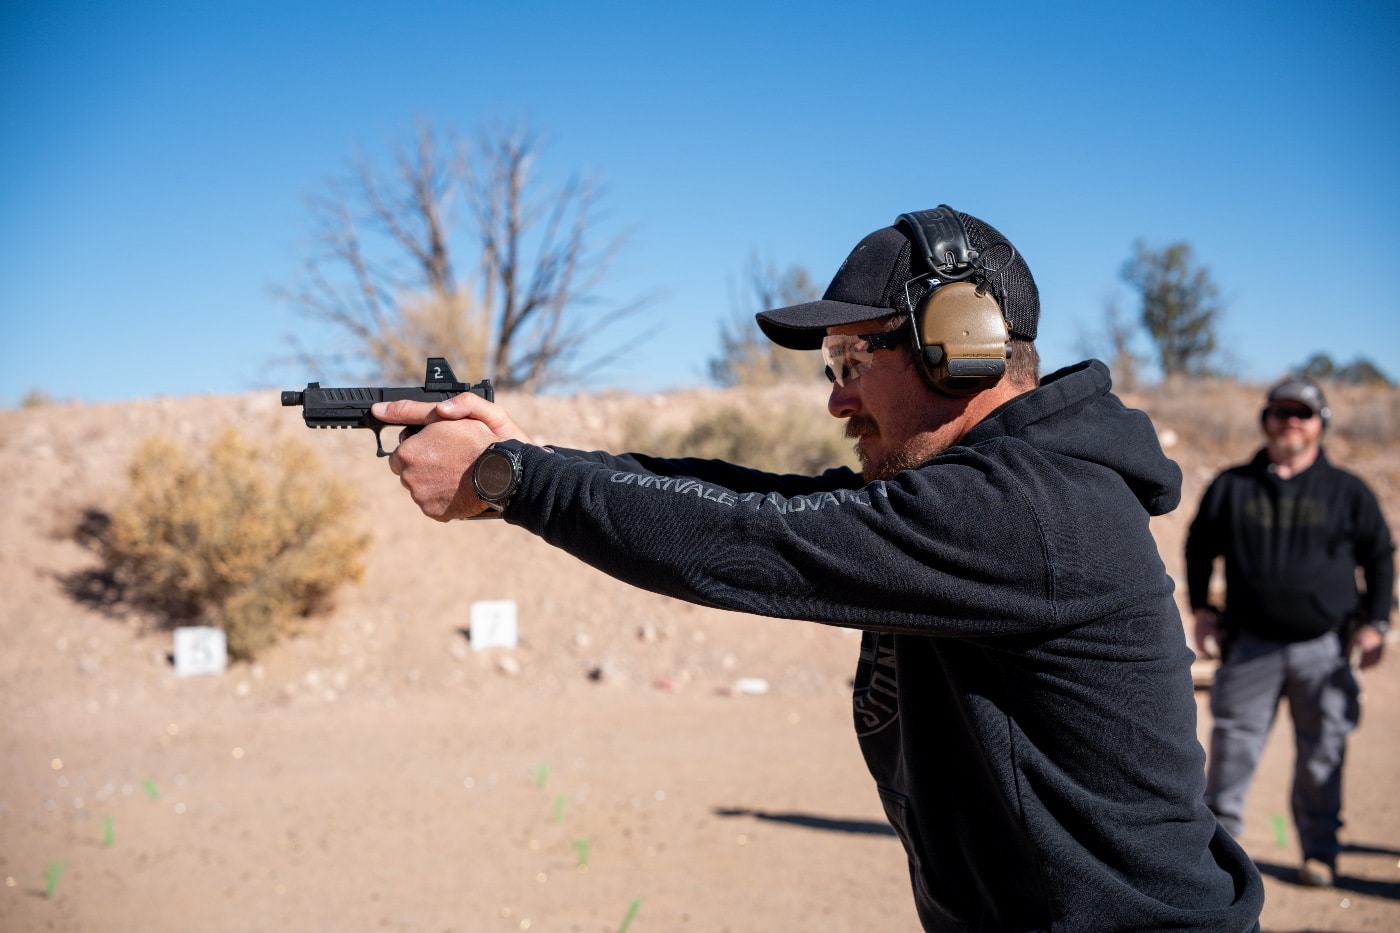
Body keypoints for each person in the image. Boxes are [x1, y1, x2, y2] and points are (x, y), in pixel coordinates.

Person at [373, 206, 1264, 931]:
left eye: (849, 359)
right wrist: (528, 454)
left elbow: (756, 540)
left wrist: (513, 482)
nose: (836, 395)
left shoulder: (1030, 509)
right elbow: (751, 498)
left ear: (959, 342)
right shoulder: (987, 495)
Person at [1185, 374, 1395, 889]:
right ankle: (1219, 863)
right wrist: (1202, 610)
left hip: (1324, 650)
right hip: (1249, 647)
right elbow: (1197, 546)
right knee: (1231, 755)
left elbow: (1379, 555)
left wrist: (1377, 624)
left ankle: (1319, 853)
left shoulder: (1347, 490)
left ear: (1320, 424)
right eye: (1280, 411)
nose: (1290, 421)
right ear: (1265, 420)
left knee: (1322, 756)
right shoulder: (1233, 485)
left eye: (1302, 413)